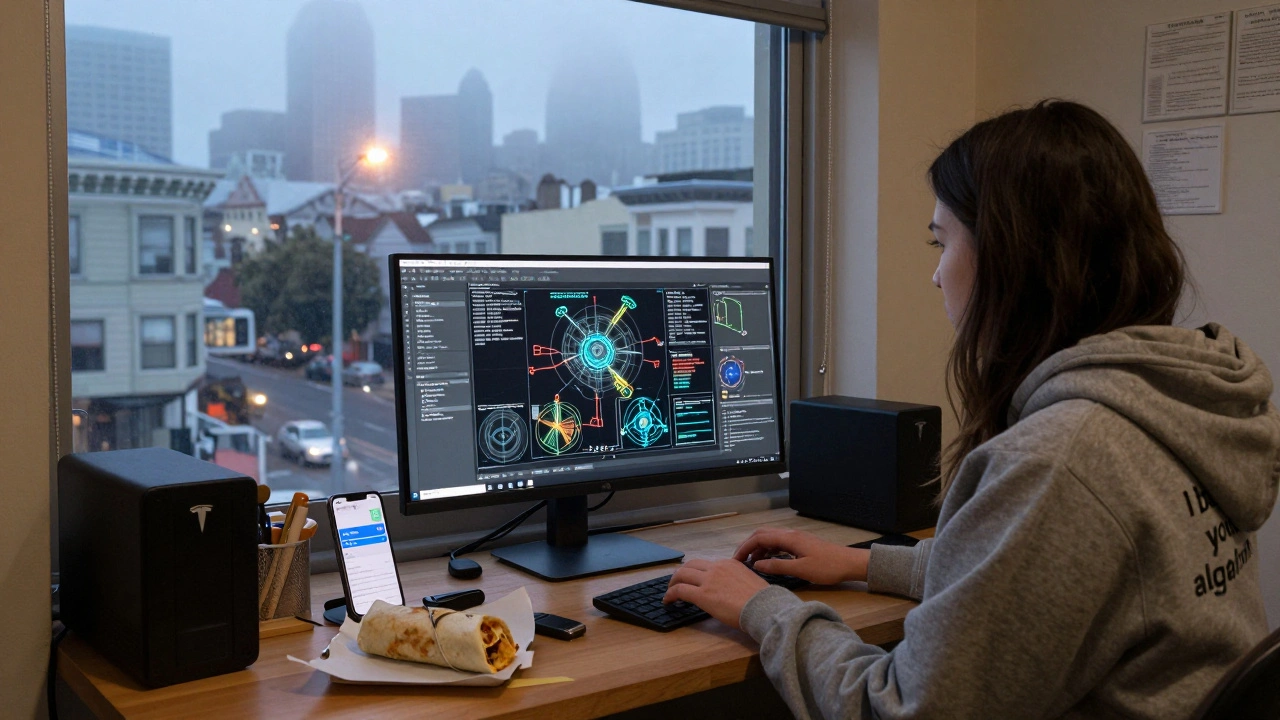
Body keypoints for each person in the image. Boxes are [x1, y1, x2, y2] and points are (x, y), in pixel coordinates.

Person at [662, 100, 1280, 719]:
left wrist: (762, 608)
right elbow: (1041, 575)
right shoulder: (1173, 405)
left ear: (1012, 256)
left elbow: (899, 711)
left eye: (942, 241)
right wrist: (862, 563)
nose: (936, 276)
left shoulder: (1062, 458)